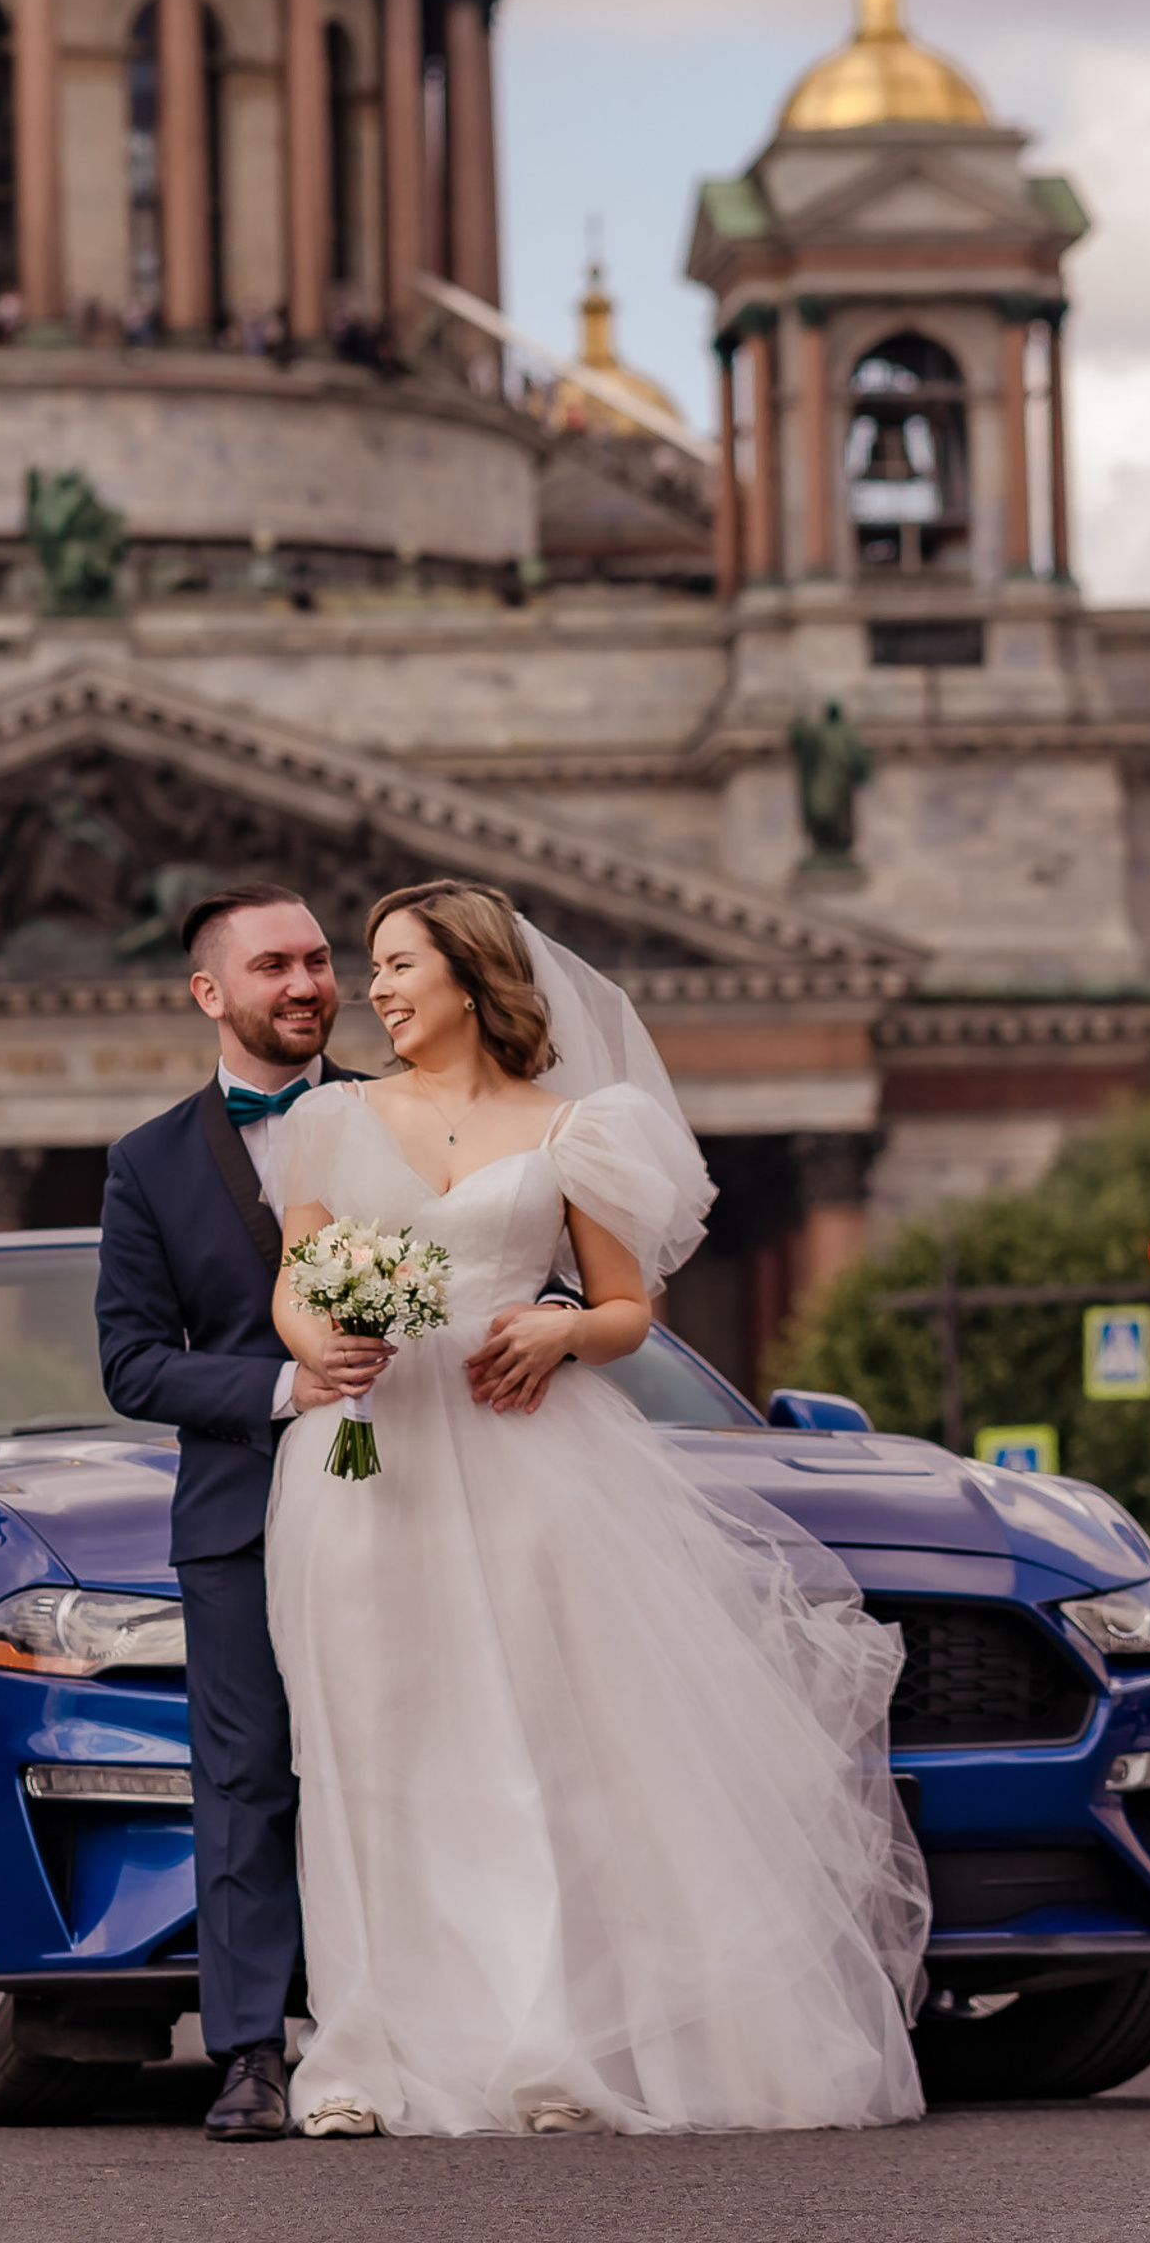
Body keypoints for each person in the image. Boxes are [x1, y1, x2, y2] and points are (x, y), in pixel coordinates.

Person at [262, 879, 931, 2138]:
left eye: (400, 964)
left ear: (470, 975)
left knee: (522, 1753)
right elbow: (297, 1279)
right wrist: (325, 1338)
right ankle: (359, 2056)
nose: (377, 991)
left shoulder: (575, 1129)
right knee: (362, 1756)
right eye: (375, 969)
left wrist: (565, 1330)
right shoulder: (329, 1119)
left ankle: (544, 2045)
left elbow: (629, 1311)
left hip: (523, 1457)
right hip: (364, 1459)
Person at [95, 885, 373, 2141]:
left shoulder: (400, 1114)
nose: (308, 982)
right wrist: (285, 1383)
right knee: (247, 1780)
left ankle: (425, 2029)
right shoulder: (147, 1163)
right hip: (241, 1520)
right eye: (275, 965)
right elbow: (135, 1363)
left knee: (409, 1771)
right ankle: (252, 2053)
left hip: (414, 1504)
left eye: (320, 959)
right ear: (211, 992)